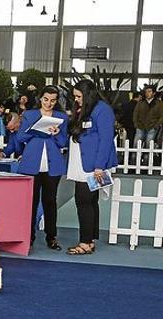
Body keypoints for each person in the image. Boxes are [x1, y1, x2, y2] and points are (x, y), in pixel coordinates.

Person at [65, 80, 117, 256]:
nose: (76, 100)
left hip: (93, 165)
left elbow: (106, 139)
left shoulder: (103, 110)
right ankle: (91, 239)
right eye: (75, 97)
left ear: (88, 95)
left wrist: (99, 166)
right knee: (90, 201)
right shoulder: (84, 109)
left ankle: (86, 242)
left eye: (79, 96)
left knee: (84, 201)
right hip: (81, 163)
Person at [14, 85, 69, 250]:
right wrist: (37, 130)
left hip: (53, 165)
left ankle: (51, 237)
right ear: (40, 98)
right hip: (31, 164)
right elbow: (20, 136)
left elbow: (63, 142)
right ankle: (28, 237)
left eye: (53, 100)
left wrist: (57, 132)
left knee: (50, 201)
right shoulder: (30, 114)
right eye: (46, 99)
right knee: (30, 202)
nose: (49, 103)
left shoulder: (62, 117)